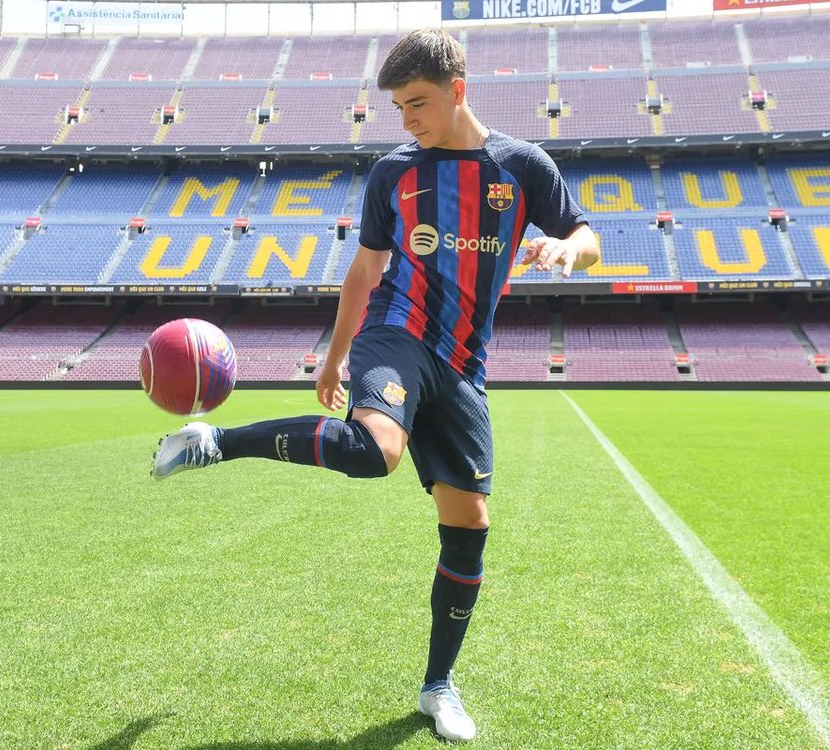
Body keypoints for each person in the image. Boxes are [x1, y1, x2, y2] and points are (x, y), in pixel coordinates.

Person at [151, 28, 600, 742]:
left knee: (469, 527)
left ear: (458, 90)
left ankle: (437, 687)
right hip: (395, 332)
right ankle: (214, 442)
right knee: (375, 450)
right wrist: (333, 360)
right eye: (398, 107)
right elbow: (364, 272)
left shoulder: (521, 167)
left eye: (417, 102)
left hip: (463, 365)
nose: (406, 119)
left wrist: (568, 250)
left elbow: (587, 234)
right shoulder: (395, 173)